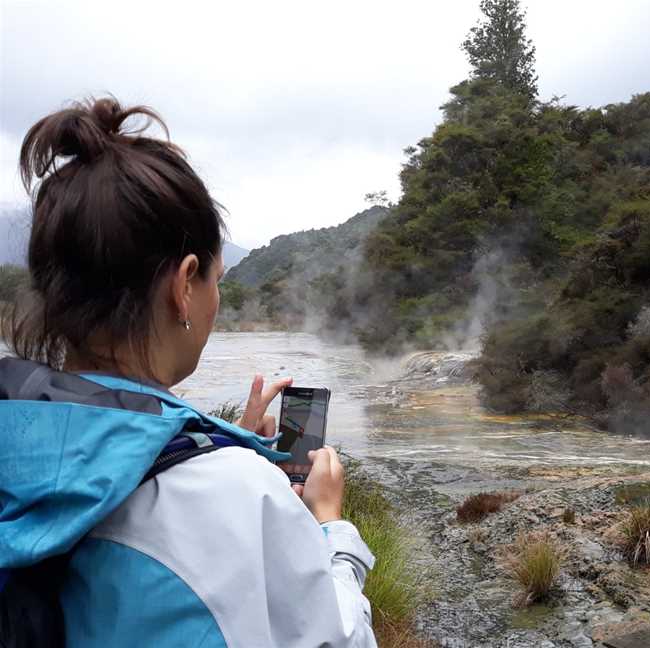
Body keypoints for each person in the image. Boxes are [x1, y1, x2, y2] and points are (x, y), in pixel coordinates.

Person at [0, 96, 377, 647]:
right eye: (216, 280)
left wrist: (220, 443)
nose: (215, 300)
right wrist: (327, 525)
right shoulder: (239, 496)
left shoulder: (18, 442)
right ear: (184, 284)